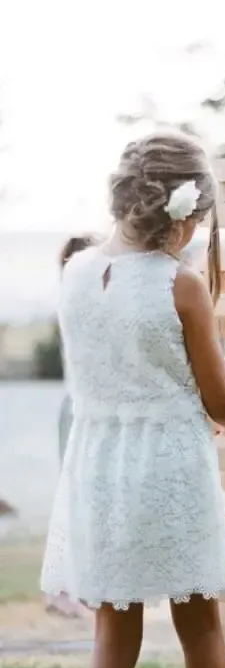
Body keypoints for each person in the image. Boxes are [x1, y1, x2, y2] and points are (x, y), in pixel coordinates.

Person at [40, 131, 225, 668]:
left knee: (113, 642)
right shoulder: (179, 285)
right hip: (168, 470)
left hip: (97, 470)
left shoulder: (76, 272)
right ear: (183, 217)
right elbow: (218, 400)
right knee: (200, 628)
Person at [43, 235, 98, 619]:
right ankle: (66, 588)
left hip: (76, 410)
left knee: (78, 499)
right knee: (78, 501)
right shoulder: (82, 303)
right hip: (80, 412)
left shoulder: (70, 301)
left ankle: (70, 588)